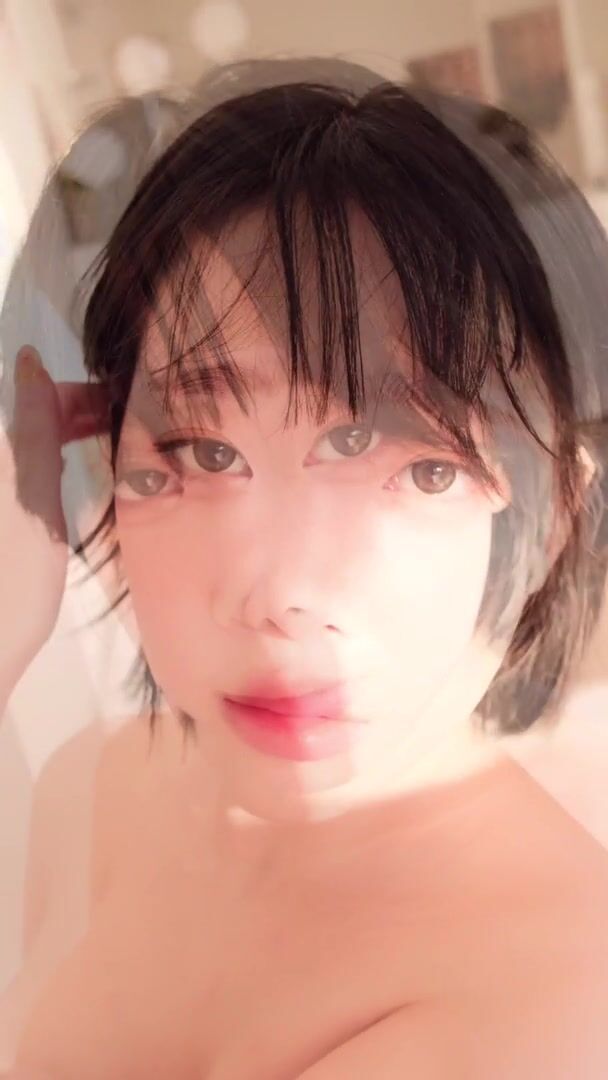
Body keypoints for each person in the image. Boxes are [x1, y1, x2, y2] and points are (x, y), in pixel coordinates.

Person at [2, 58, 608, 1078]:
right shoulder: (91, 788)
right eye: (203, 451)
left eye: (418, 470)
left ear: (551, 518)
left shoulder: (564, 1000)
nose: (279, 593)